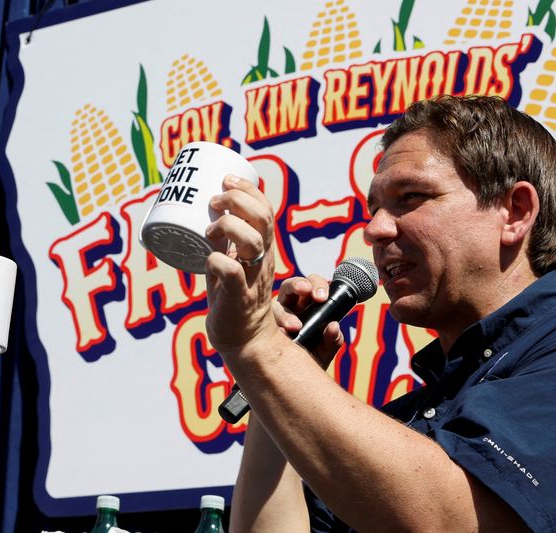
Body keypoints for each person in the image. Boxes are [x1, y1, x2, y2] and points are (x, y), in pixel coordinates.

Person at [204, 95, 555, 531]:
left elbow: (452, 520)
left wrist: (263, 352)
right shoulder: (408, 419)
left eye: (410, 197)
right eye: (374, 209)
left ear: (515, 212)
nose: (375, 229)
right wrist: (273, 376)